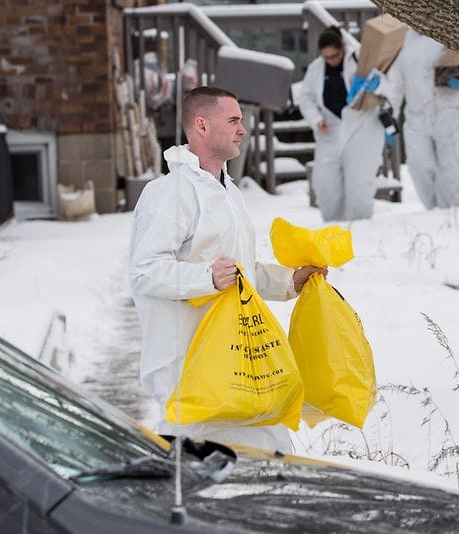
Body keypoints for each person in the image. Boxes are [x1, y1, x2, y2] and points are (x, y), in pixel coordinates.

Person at [128, 86, 325, 453]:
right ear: (201, 126)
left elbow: (238, 271)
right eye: (233, 120)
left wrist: (288, 281)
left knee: (271, 460)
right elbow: (145, 271)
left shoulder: (227, 191)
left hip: (238, 361)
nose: (242, 129)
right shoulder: (170, 193)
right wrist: (205, 278)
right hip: (191, 369)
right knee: (196, 477)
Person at [297, 26, 386, 222]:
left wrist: (373, 85)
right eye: (326, 57)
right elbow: (305, 97)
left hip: (361, 129)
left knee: (359, 185)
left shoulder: (359, 59)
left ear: (342, 48)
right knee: (326, 185)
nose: (331, 60)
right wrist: (316, 119)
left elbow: (384, 81)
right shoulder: (316, 68)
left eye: (334, 55)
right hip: (329, 132)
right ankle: (333, 229)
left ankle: (360, 229)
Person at [382, 28, 459, 210]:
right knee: (418, 165)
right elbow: (396, 84)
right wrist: (389, 114)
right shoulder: (403, 40)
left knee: (451, 165)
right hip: (416, 115)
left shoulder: (449, 29)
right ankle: (431, 210)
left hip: (449, 110)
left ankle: (450, 211)